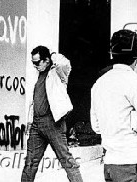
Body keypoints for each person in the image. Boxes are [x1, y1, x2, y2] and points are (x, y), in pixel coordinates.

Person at [90, 29, 137, 182]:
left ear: (112, 52)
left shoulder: (99, 84)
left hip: (110, 163)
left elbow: (96, 126)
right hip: (134, 162)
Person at [22, 46, 83, 182]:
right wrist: (30, 121)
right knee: (30, 163)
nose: (35, 66)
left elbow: (65, 63)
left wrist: (52, 56)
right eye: (33, 63)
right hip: (36, 124)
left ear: (47, 60)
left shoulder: (58, 72)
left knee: (66, 161)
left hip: (53, 123)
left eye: (37, 62)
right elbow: (34, 101)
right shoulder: (36, 76)